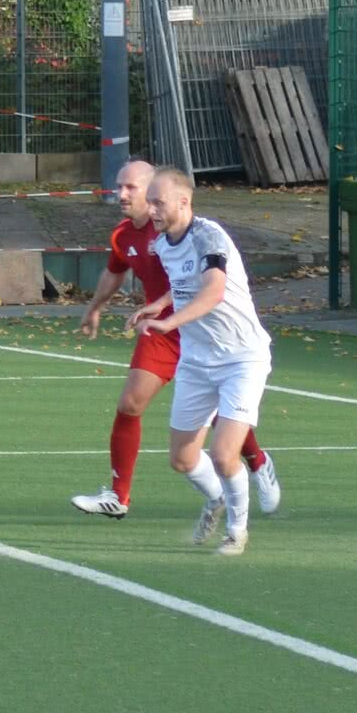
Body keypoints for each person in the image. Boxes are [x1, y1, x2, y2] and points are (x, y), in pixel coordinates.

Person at [70, 158, 279, 521]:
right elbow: (115, 271)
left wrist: (167, 310)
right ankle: (119, 497)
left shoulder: (189, 230)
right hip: (163, 333)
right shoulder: (124, 235)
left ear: (158, 191)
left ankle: (257, 462)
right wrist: (95, 308)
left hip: (206, 333)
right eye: (119, 187)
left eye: (131, 188)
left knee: (223, 419)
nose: (122, 194)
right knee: (131, 404)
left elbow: (206, 284)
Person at [127, 167, 271, 556]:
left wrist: (168, 322)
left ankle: (236, 532)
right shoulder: (162, 243)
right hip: (196, 361)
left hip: (242, 357)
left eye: (158, 201)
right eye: (149, 201)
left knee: (224, 455)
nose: (151, 208)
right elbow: (183, 286)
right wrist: (156, 305)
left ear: (183, 201)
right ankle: (215, 500)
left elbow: (213, 291)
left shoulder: (209, 236)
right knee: (182, 458)